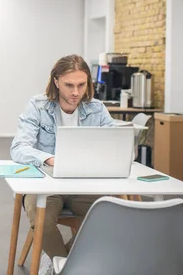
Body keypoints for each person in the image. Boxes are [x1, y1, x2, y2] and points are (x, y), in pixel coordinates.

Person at [10, 54, 115, 275]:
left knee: (112, 215)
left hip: (83, 185)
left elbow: (116, 145)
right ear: (56, 82)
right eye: (69, 85)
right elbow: (18, 147)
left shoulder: (96, 109)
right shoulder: (38, 106)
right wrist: (50, 159)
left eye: (81, 85)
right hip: (46, 185)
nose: (76, 92)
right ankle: (66, 266)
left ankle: (60, 263)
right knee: (42, 221)